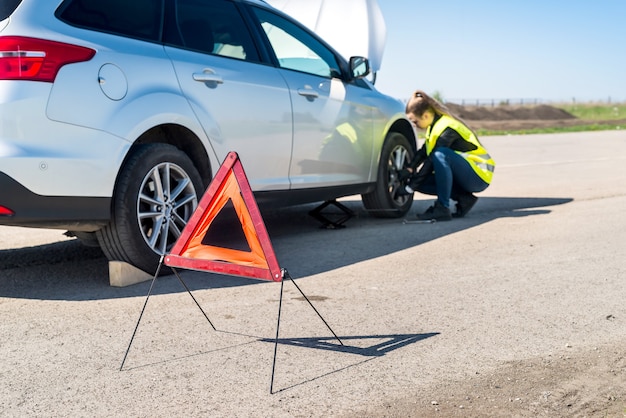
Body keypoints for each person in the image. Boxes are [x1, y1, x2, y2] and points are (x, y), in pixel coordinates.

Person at [398, 90, 495, 221]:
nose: (415, 125)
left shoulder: (447, 128)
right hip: (465, 175)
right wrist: (410, 169)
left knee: (440, 155)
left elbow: (433, 159)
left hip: (478, 175)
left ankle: (442, 208)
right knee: (421, 180)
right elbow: (423, 152)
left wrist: (410, 188)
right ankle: (464, 198)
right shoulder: (434, 128)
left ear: (426, 116)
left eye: (415, 121)